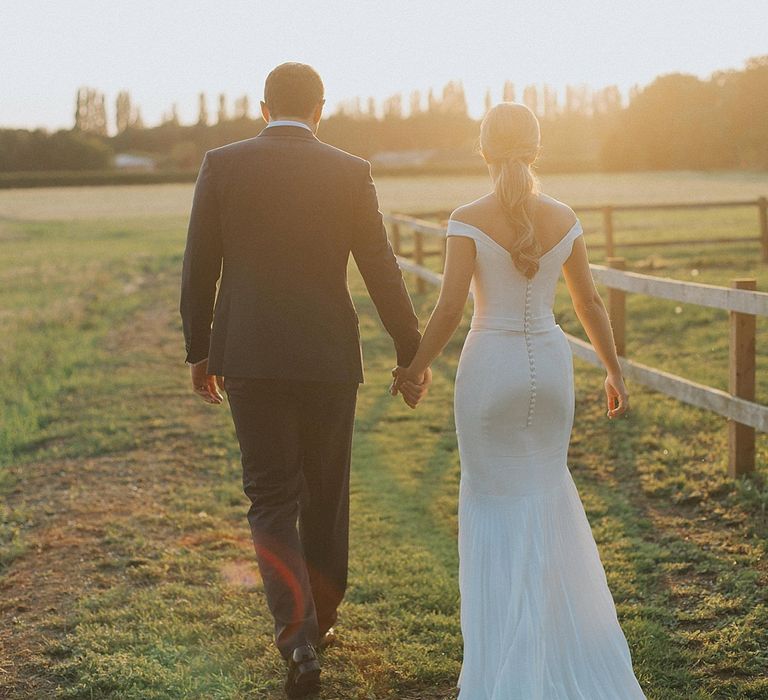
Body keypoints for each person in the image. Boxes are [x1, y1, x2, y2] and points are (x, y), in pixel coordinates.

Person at [180, 62, 430, 698]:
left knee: (269, 496)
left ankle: (298, 639)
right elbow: (380, 265)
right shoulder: (350, 171)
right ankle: (322, 617)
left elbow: (199, 263)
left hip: (252, 357)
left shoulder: (223, 163)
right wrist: (411, 352)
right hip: (326, 359)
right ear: (321, 109)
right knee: (327, 491)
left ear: (262, 107)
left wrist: (200, 351)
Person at [392, 102, 646, 699]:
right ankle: (554, 651)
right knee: (546, 502)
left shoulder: (466, 217)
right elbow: (590, 305)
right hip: (552, 374)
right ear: (537, 148)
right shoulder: (565, 217)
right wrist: (615, 373)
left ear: (483, 151)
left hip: (490, 374)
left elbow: (450, 308)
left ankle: (504, 666)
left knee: (493, 510)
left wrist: (414, 368)